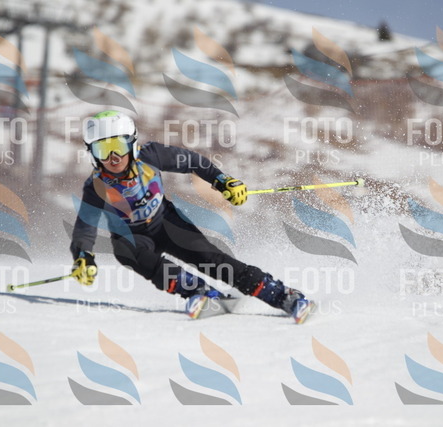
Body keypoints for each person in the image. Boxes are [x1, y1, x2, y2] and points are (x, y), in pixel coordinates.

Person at [70, 110, 313, 323]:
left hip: (166, 223)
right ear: (92, 153)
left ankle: (282, 295)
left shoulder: (151, 155)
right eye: (103, 150)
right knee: (126, 251)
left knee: (211, 260)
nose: (113, 158)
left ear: (132, 144)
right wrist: (83, 256)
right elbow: (85, 226)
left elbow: (193, 162)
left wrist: (222, 181)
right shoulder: (95, 186)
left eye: (118, 146)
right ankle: (198, 291)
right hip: (132, 237)